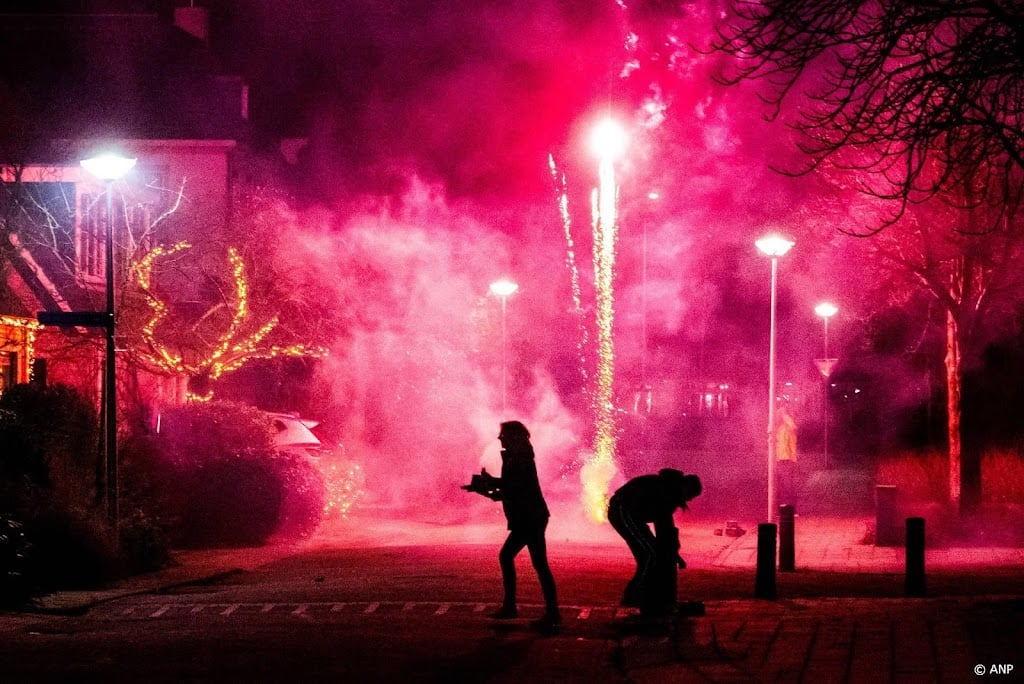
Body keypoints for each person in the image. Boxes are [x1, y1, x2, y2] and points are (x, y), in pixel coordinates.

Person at [462, 421, 561, 631]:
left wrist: (487, 487)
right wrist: (490, 485)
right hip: (530, 516)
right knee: (534, 563)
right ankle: (546, 611)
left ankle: (527, 609)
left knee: (519, 559)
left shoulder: (519, 459)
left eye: (503, 435)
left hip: (528, 517)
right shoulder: (520, 457)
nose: (500, 438)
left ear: (514, 437)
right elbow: (512, 487)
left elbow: (514, 488)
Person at [607, 468, 702, 618]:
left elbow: (664, 529)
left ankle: (639, 595)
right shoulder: (667, 492)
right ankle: (634, 596)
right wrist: (674, 555)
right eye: (690, 495)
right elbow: (664, 525)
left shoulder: (668, 488)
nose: (688, 500)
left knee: (649, 555)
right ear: (685, 487)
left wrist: (674, 555)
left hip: (632, 515)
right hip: (623, 511)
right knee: (650, 555)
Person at [775, 406, 798, 511]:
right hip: (780, 459)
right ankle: (781, 509)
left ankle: (790, 509)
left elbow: (793, 426)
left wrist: (784, 414)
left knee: (788, 485)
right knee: (781, 486)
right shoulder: (779, 428)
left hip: (788, 459)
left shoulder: (789, 427)